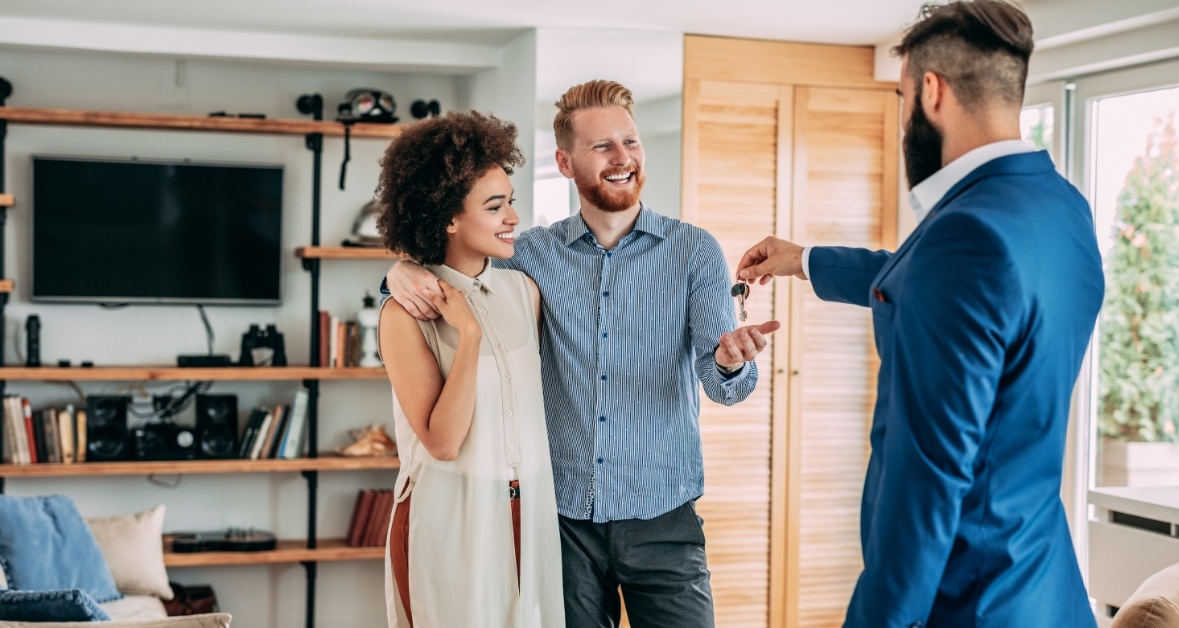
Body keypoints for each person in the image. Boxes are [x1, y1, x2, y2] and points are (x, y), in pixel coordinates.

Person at [736, 2, 1103, 626]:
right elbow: (950, 293)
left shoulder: (963, 237)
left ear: (931, 93)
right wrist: (807, 260)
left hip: (965, 601)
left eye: (902, 96)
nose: (904, 115)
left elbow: (927, 484)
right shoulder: (1061, 207)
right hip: (1042, 589)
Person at [384, 79, 779, 627]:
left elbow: (721, 386)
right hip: (563, 525)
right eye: (603, 147)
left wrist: (732, 363)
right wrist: (397, 272)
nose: (623, 159)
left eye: (631, 142)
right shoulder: (532, 256)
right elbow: (455, 266)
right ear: (565, 163)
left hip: (664, 521)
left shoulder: (695, 251)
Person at [375, 110, 564, 627]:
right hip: (449, 514)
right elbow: (442, 442)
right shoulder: (404, 312)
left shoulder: (524, 291)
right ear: (449, 216)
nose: (513, 219)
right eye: (495, 205)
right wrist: (469, 337)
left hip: (528, 514)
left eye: (512, 202)